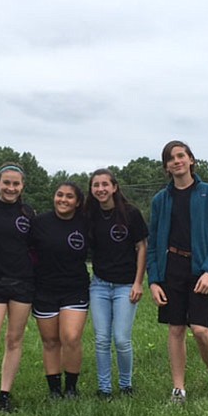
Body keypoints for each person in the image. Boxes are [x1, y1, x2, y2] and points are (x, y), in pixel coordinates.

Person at [147, 140, 208, 405]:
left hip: (200, 269)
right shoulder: (161, 200)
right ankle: (178, 390)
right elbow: (153, 244)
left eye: (181, 155)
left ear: (191, 160)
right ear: (166, 167)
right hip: (171, 269)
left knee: (199, 329)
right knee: (175, 329)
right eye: (171, 158)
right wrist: (154, 281)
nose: (177, 161)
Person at [0, 162, 35, 414]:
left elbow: (39, 247)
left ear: (22, 186)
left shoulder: (28, 213)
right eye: (6, 183)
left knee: (14, 339)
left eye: (16, 184)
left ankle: (4, 394)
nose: (11, 188)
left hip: (23, 283)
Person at [85, 169, 148, 400]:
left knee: (121, 339)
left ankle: (125, 384)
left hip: (125, 286)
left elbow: (142, 246)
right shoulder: (89, 214)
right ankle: (104, 389)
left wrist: (138, 282)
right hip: (99, 285)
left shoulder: (130, 214)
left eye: (105, 184)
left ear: (114, 187)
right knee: (101, 339)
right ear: (91, 190)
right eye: (95, 185)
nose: (100, 189)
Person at [31, 182, 89, 399]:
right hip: (44, 289)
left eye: (69, 197)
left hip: (75, 288)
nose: (63, 200)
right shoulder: (38, 223)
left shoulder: (85, 223)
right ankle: (54, 390)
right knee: (50, 341)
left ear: (77, 202)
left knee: (71, 337)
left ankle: (72, 388)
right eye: (59, 195)